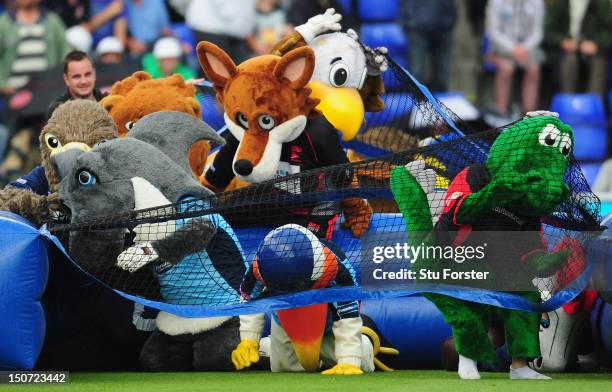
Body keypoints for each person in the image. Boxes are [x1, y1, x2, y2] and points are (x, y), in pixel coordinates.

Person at [486, 0, 545, 117]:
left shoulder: (537, 2)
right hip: (502, 45)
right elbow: (493, 31)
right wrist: (512, 48)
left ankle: (529, 113)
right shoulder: (496, 2)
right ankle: (500, 109)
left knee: (533, 69)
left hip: (527, 46)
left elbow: (538, 32)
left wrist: (524, 48)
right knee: (506, 68)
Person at [545, 0, 612, 96]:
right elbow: (548, 30)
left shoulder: (601, 2)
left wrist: (597, 44)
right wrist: (562, 41)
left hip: (593, 48)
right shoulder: (559, 2)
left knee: (599, 62)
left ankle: (594, 104)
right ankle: (568, 102)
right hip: (564, 50)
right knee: (569, 61)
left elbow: (608, 31)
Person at [401, 0, 457, 92]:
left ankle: (439, 102)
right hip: (417, 27)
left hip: (443, 27)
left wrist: (450, 20)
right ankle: (417, 102)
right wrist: (410, 21)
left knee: (442, 74)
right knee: (417, 71)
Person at [185, 0, 256, 63]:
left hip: (235, 33)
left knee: (241, 66)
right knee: (215, 69)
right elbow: (226, 10)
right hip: (210, 28)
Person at [46, 51, 106, 120]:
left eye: (88, 74)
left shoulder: (109, 102)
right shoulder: (57, 110)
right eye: (76, 77)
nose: (83, 81)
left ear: (94, 74)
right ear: (66, 79)